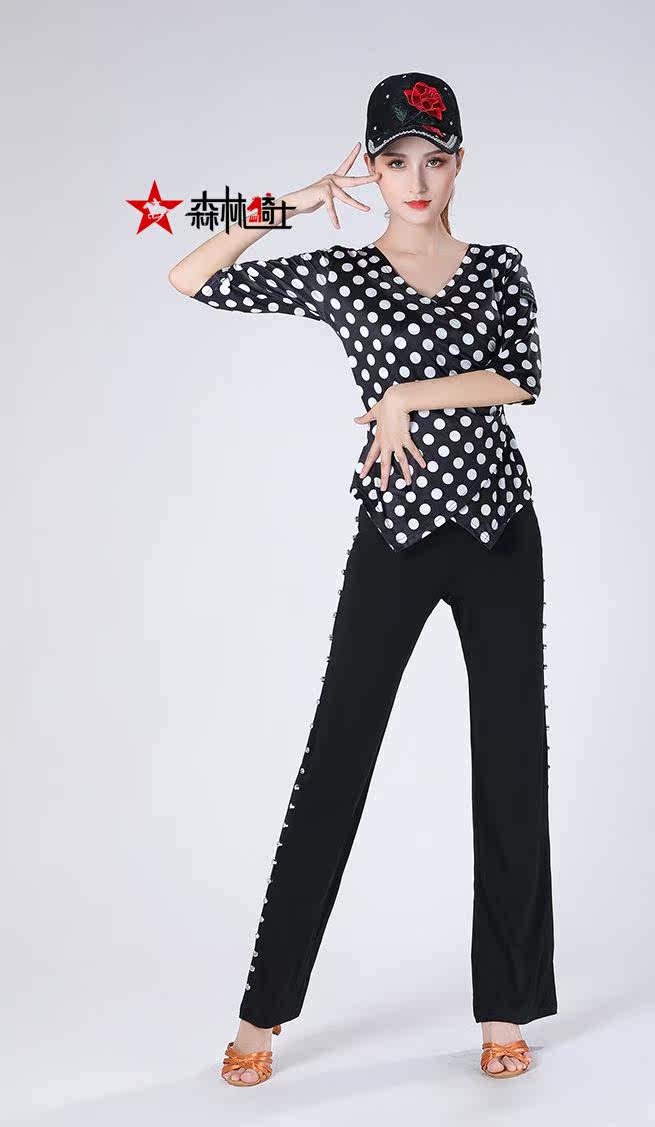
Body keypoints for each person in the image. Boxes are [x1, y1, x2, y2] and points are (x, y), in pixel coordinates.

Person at [168, 71, 556, 1084]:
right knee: (336, 759)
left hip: (500, 533)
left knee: (512, 764)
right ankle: (261, 1014)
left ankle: (504, 1007)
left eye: (435, 159)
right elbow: (190, 275)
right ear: (373, 171)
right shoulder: (343, 272)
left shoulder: (499, 266)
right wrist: (285, 204)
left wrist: (405, 396)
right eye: (395, 161)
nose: (416, 179)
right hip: (395, 534)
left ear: (459, 164)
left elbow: (521, 377)